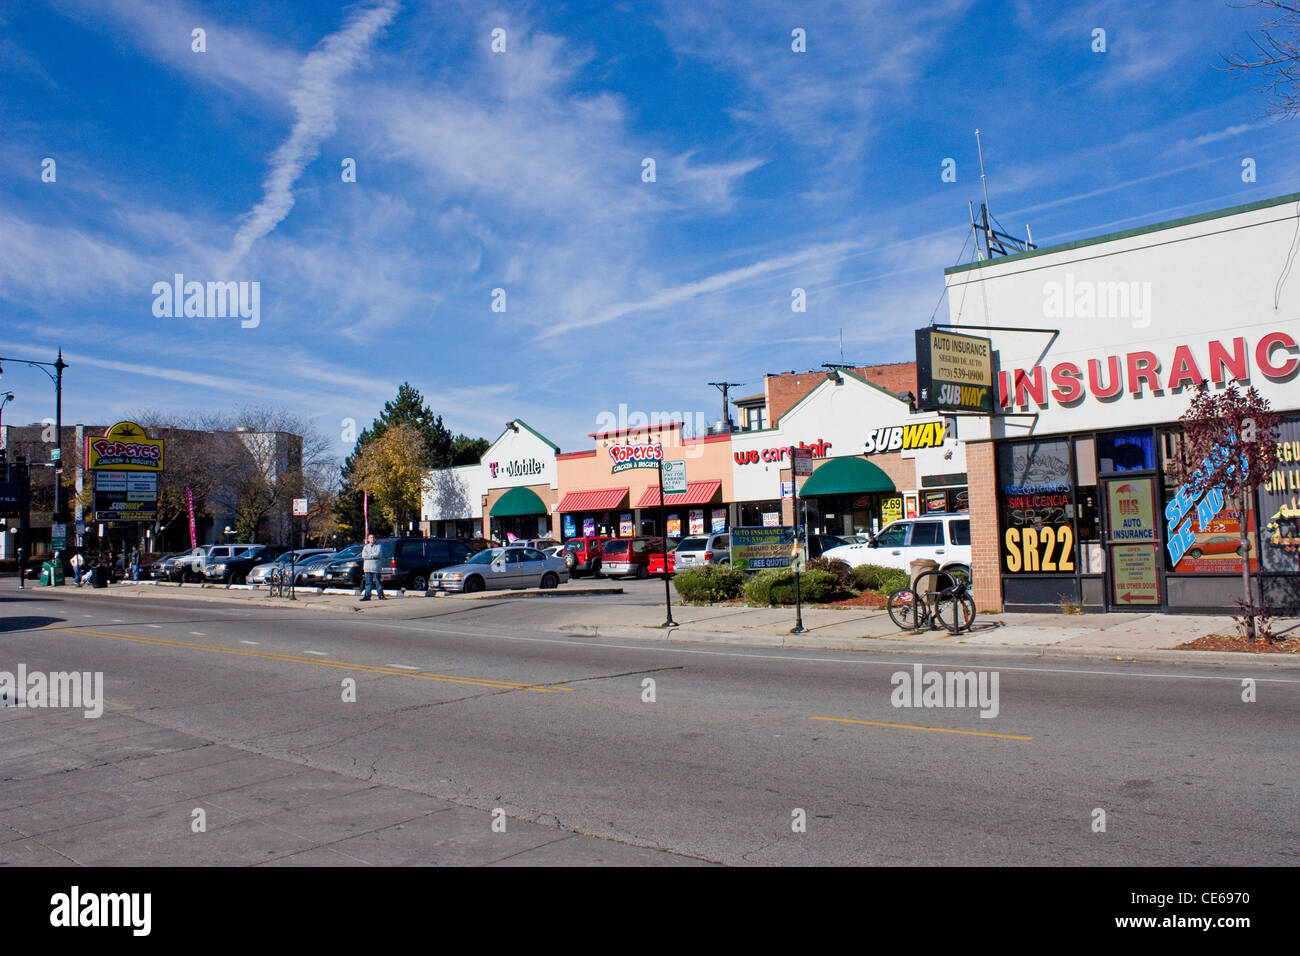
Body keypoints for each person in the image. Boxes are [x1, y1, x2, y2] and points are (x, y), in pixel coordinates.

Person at [359, 533, 384, 601]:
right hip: (367, 568)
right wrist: (372, 556)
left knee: (378, 582)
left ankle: (381, 595)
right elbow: (363, 555)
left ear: (375, 539)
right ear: (368, 539)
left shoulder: (379, 546)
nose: (372, 539)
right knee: (368, 583)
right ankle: (367, 596)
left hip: (376, 568)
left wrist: (369, 555)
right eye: (370, 538)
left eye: (373, 537)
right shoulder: (366, 547)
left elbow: (378, 554)